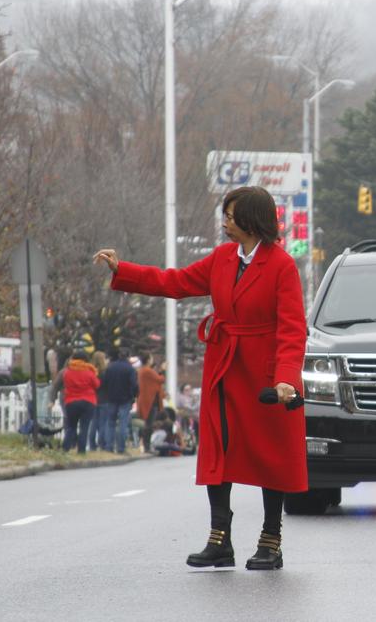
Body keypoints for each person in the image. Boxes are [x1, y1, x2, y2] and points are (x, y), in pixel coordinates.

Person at [94, 185, 307, 571]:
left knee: (269, 453)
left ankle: (270, 540)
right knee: (218, 450)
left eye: (230, 215)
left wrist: (286, 379)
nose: (224, 221)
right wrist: (123, 271)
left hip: (266, 378)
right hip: (224, 367)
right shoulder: (222, 258)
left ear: (252, 219)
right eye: (224, 214)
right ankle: (219, 540)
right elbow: (174, 283)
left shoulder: (281, 265)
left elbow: (292, 329)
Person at [60, 349, 100, 454]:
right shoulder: (89, 372)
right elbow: (97, 385)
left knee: (71, 426)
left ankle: (65, 448)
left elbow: (65, 384)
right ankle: (81, 450)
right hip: (88, 401)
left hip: (71, 401)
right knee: (84, 427)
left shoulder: (67, 372)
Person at [102, 348, 138, 453]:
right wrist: (133, 396)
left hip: (111, 398)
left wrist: (107, 394)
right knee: (123, 423)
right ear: (128, 356)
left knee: (110, 423)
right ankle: (121, 448)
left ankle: (109, 446)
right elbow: (134, 385)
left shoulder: (110, 367)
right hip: (125, 399)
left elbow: (104, 382)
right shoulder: (130, 369)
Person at [135, 353, 165, 452]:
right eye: (151, 358)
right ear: (148, 360)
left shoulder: (144, 370)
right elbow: (160, 379)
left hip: (149, 400)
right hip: (150, 401)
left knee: (148, 424)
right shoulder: (147, 370)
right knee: (149, 425)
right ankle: (146, 446)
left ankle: (146, 445)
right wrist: (163, 370)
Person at [86, 350, 108, 451]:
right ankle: (102, 443)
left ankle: (91, 444)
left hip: (93, 399)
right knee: (103, 422)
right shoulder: (105, 372)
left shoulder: (90, 372)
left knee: (93, 422)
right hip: (104, 399)